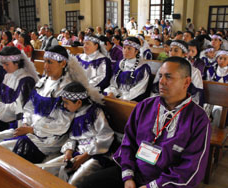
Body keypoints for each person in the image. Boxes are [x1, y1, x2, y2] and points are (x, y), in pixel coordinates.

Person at [79, 56, 211, 188]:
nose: (161, 81)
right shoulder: (145, 106)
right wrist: (128, 176)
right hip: (134, 172)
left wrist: (152, 186)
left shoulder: (199, 119)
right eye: (160, 76)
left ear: (186, 82)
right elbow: (128, 143)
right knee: (88, 184)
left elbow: (190, 168)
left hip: (166, 183)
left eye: (169, 77)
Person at [0, 45, 88, 163]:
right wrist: (26, 122)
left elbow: (62, 124)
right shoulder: (43, 81)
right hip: (31, 129)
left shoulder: (67, 88)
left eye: (50, 62)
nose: (45, 66)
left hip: (49, 138)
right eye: (45, 61)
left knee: (4, 152)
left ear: (63, 63)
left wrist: (32, 129)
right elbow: (29, 107)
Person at [42, 81, 114, 186]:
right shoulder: (73, 113)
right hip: (78, 152)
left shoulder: (95, 113)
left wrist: (85, 156)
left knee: (74, 182)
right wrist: (68, 152)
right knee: (46, 169)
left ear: (79, 102)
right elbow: (72, 137)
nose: (64, 106)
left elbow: (106, 136)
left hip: (95, 154)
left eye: (66, 102)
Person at [0, 46, 38, 142]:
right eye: (3, 64)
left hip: (16, 123)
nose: (4, 67)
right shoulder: (8, 75)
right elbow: (2, 96)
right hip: (1, 116)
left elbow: (19, 108)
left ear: (17, 63)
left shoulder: (26, 80)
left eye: (6, 64)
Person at [152, 40, 204, 106]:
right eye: (170, 50)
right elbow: (155, 91)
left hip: (184, 108)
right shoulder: (162, 69)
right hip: (162, 105)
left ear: (184, 54)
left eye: (176, 51)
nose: (172, 53)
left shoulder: (194, 72)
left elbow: (197, 96)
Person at [104, 37, 151, 101]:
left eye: (129, 48)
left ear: (136, 51)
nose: (125, 51)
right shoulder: (120, 64)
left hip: (131, 99)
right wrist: (112, 93)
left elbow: (139, 90)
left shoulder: (142, 68)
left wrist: (121, 99)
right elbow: (113, 83)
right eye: (124, 48)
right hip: (117, 96)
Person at [204, 50, 228, 126]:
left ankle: (215, 128)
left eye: (225, 59)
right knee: (204, 108)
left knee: (218, 110)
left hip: (224, 98)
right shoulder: (211, 70)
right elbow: (208, 84)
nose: (222, 61)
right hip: (211, 95)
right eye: (220, 58)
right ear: (217, 59)